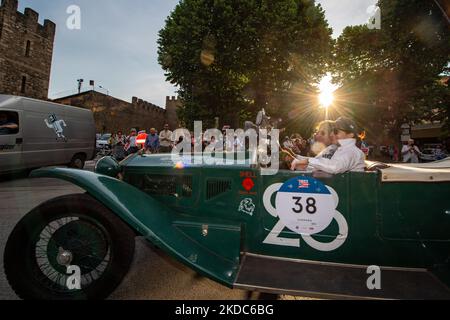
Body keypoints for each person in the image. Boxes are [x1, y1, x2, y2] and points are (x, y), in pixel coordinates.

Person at [291, 117, 366, 174]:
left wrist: (307, 161)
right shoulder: (334, 147)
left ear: (350, 135)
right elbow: (319, 163)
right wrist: (293, 157)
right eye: (332, 131)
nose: (331, 134)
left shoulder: (353, 152)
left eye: (336, 131)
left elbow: (335, 167)